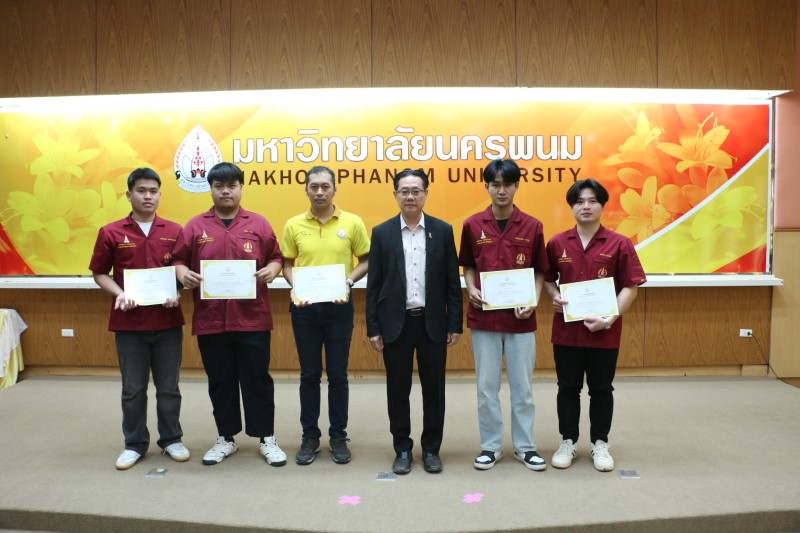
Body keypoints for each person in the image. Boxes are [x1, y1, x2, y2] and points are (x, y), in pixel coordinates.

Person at [172, 162, 287, 467]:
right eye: (219, 186)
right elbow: (178, 260)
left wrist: (272, 270)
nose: (225, 191)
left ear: (241, 188)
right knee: (220, 381)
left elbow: (277, 256)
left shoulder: (258, 223)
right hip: (211, 319)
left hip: (253, 318)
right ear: (210, 189)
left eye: (231, 185)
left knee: (257, 380)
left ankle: (266, 438)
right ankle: (226, 438)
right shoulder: (195, 226)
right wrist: (183, 274)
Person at [89, 167, 189, 470]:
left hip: (168, 322)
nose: (148, 196)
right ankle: (134, 444)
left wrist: (177, 290)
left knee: (169, 387)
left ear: (160, 195)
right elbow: (99, 273)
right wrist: (119, 293)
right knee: (133, 389)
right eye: (142, 190)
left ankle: (171, 439)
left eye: (154, 191)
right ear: (129, 194)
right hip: (130, 325)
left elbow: (182, 271)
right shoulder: (110, 232)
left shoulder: (175, 230)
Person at [543, 178, 646, 472]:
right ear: (571, 207)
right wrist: (554, 296)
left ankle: (600, 442)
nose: (585, 206)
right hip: (567, 332)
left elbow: (630, 287)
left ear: (602, 206)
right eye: (579, 201)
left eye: (592, 201)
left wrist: (609, 319)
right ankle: (568, 441)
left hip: (604, 332)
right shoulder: (557, 243)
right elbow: (547, 279)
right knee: (567, 388)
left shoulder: (619, 243)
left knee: (601, 389)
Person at [366, 168, 463, 475]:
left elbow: (452, 282)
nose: (410, 196)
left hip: (432, 323)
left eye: (416, 191)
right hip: (396, 324)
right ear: (395, 194)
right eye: (404, 191)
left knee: (434, 390)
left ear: (425, 194)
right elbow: (373, 284)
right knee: (398, 390)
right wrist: (373, 327)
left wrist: (454, 323)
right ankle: (403, 448)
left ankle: (431, 449)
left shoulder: (442, 230)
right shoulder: (382, 233)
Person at [458, 159, 549, 471]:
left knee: (523, 389)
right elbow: (469, 265)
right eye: (495, 184)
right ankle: (491, 446)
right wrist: (471, 288)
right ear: (486, 186)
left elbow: (540, 271)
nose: (501, 190)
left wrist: (533, 300)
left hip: (521, 321)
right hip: (484, 319)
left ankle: (525, 447)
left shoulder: (533, 226)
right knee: (486, 388)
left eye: (507, 184)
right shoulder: (472, 225)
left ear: (516, 186)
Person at [282, 166, 370, 465]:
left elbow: (366, 260)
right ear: (306, 190)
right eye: (314, 187)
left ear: (334, 189)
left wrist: (348, 282)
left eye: (325, 186)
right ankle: (310, 436)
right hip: (305, 310)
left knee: (338, 375)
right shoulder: (293, 224)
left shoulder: (352, 222)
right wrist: (297, 287)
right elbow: (287, 263)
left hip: (339, 308)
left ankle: (337, 435)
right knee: (309, 375)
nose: (319, 192)